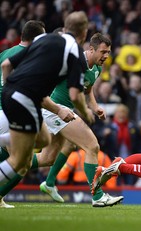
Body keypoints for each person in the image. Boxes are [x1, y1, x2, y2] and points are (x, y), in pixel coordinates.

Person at [0, 11, 91, 201]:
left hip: (13, 97)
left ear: (65, 28)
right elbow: (75, 94)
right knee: (20, 161)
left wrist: (10, 89)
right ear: (84, 33)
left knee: (43, 139)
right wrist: (86, 113)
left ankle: (4, 140)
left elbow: (6, 65)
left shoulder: (42, 40)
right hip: (23, 99)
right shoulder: (74, 51)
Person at [36, 32, 123, 207]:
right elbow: (74, 95)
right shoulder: (75, 62)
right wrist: (85, 111)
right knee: (92, 146)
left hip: (64, 110)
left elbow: (88, 89)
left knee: (48, 157)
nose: (106, 56)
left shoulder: (97, 68)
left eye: (108, 52)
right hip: (55, 109)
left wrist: (95, 106)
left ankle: (46, 181)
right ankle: (97, 196)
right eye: (103, 52)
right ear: (91, 49)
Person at [0, 20, 62, 208]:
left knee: (17, 158)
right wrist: (59, 109)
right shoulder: (32, 57)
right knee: (22, 161)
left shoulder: (5, 54)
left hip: (3, 109)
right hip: (11, 112)